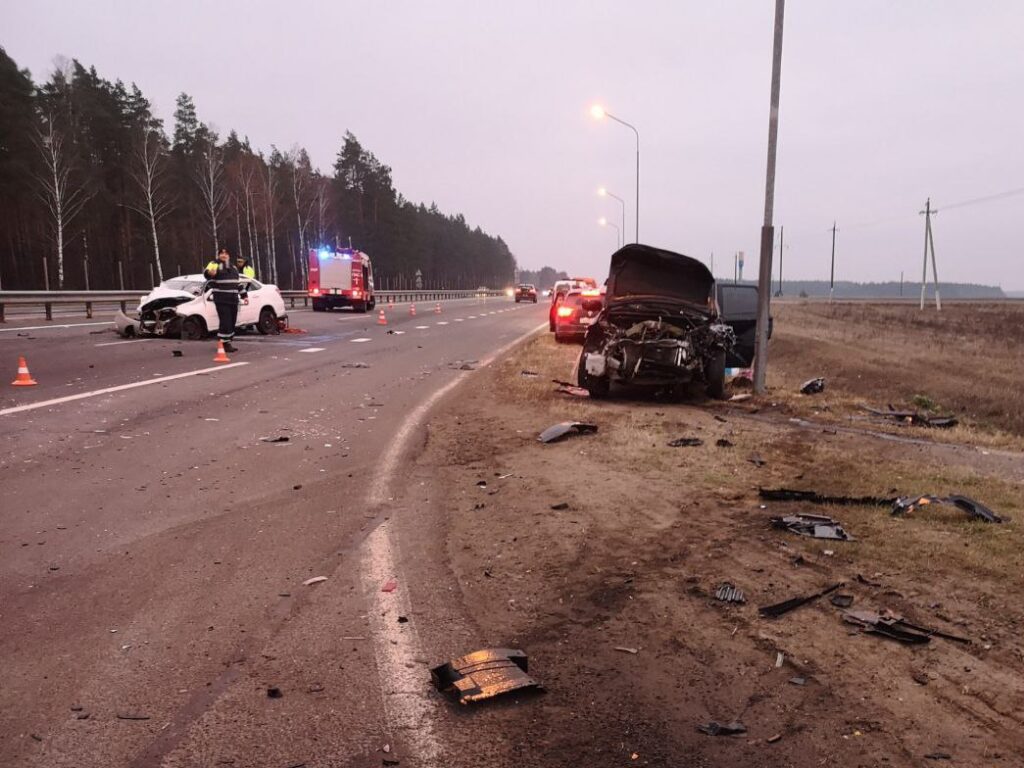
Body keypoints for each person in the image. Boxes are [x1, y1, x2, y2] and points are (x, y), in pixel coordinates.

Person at [203, 248, 246, 352]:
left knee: (232, 321)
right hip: (221, 299)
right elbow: (207, 273)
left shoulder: (233, 267)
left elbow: (237, 283)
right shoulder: (214, 263)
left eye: (226, 253)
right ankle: (224, 343)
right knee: (225, 321)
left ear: (229, 256)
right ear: (218, 255)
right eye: (221, 253)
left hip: (233, 299)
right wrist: (210, 273)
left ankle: (228, 340)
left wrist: (244, 295)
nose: (224, 255)